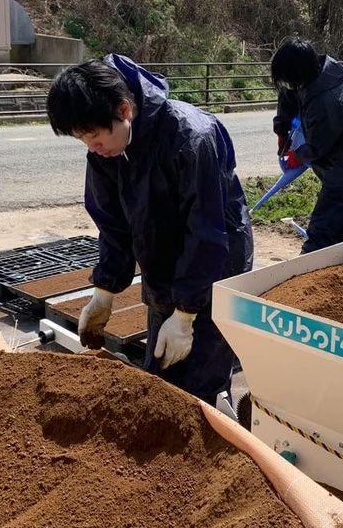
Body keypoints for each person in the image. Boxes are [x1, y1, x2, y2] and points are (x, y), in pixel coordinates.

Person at [46, 55, 253, 406]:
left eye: (94, 135)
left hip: (216, 266)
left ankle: (218, 418)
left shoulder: (191, 136)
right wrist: (105, 292)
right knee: (162, 379)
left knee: (201, 385)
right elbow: (112, 224)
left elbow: (205, 233)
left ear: (124, 110)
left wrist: (187, 314)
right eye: (82, 139)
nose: (91, 146)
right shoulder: (106, 152)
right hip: (162, 264)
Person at [271, 37, 343, 253]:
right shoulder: (309, 75)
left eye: (289, 79)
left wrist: (296, 155)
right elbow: (288, 96)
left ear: (299, 73)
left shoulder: (330, 100)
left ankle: (306, 266)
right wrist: (281, 128)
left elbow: (318, 145)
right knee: (342, 222)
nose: (289, 85)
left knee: (323, 228)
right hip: (333, 160)